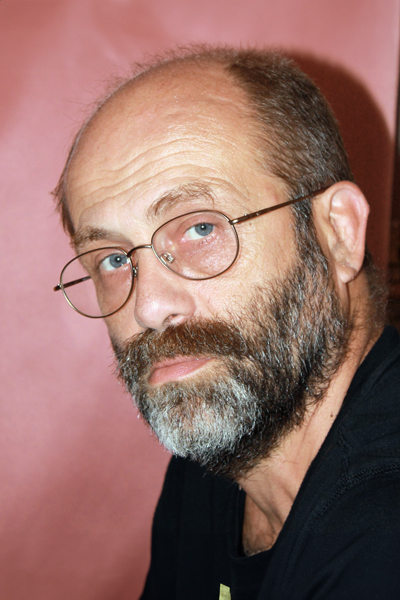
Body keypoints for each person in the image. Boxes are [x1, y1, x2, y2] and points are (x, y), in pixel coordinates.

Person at [53, 47, 400, 599]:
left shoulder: (383, 536)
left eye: (200, 229)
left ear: (337, 233)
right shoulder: (220, 457)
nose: (149, 307)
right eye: (114, 260)